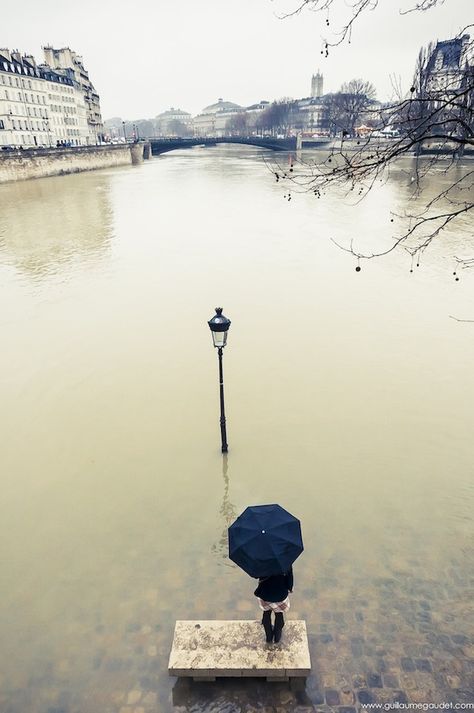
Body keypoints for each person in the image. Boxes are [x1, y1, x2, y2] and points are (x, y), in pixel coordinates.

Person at [254, 566, 293, 643]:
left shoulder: (261, 560)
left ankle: (269, 638)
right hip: (280, 595)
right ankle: (277, 638)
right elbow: (289, 577)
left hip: (265, 594)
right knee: (279, 615)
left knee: (266, 613)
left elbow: (255, 575)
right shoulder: (285, 560)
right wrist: (290, 588)